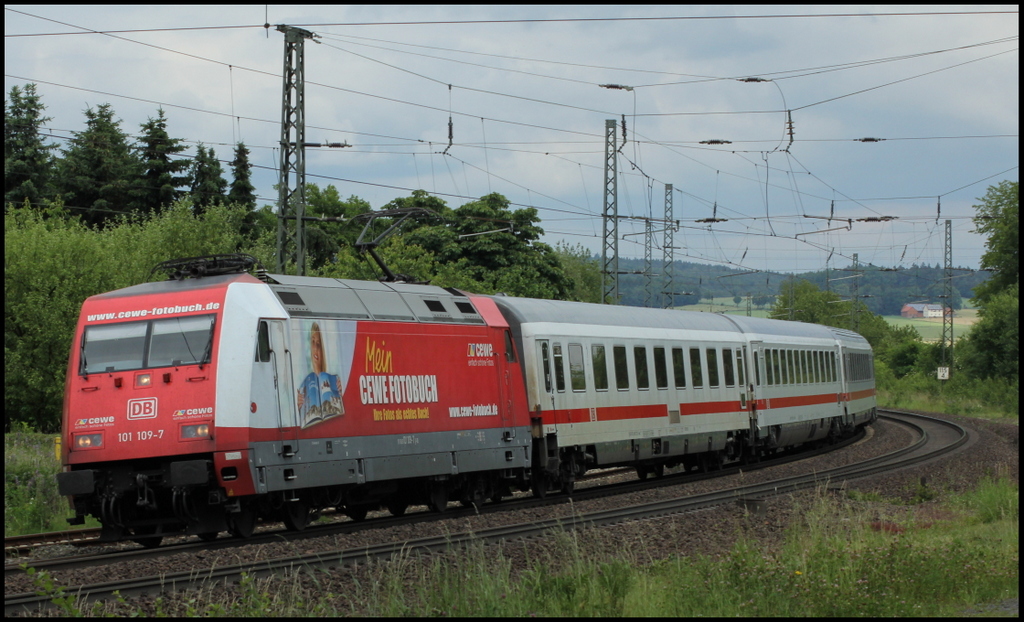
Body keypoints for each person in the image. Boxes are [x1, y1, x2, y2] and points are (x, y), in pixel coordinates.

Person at [296, 322, 344, 426]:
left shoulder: (335, 377)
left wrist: (342, 396)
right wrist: (298, 407)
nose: (315, 349)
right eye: (313, 342)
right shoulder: (303, 382)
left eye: (318, 344)